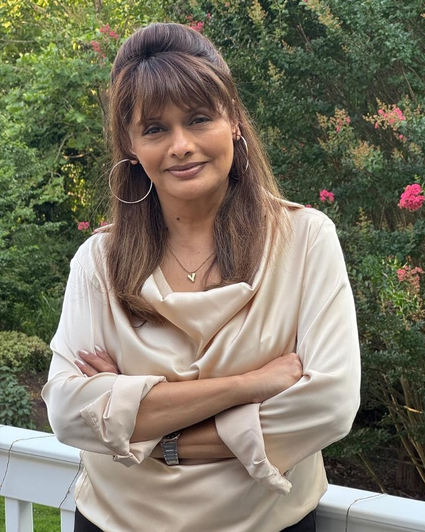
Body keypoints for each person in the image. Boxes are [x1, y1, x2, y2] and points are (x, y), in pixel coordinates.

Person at [42, 22, 360, 532]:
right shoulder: (98, 262)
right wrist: (251, 385)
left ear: (232, 119)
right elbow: (67, 412)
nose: (181, 145)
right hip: (112, 522)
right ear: (131, 144)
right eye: (155, 129)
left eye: (198, 118)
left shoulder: (304, 240)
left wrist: (147, 430)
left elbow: (330, 405)